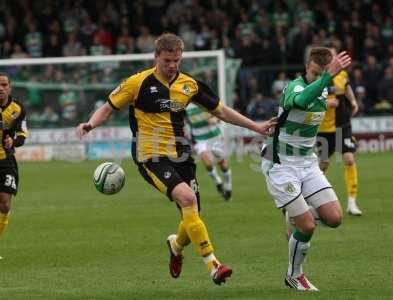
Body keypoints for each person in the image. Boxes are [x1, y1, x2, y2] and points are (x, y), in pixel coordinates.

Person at [76, 33, 276, 285]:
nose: (172, 66)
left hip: (182, 155)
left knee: (192, 215)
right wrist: (90, 124)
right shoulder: (136, 83)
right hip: (150, 156)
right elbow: (107, 108)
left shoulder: (189, 85)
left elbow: (222, 111)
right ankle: (214, 265)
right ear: (156, 57)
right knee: (188, 198)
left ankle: (176, 245)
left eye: (177, 60)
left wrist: (256, 127)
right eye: (167, 60)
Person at [260, 47, 351, 291]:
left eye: (322, 72)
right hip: (280, 164)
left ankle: (296, 213)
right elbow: (299, 101)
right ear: (306, 67)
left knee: (335, 218)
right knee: (307, 226)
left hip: (307, 163)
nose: (318, 76)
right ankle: (294, 275)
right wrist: (326, 76)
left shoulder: (323, 90)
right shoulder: (294, 87)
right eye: (314, 71)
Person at [317, 47, 362, 216]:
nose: (334, 57)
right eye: (331, 55)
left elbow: (347, 87)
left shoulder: (342, 74)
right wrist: (327, 104)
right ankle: (311, 197)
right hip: (323, 127)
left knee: (349, 159)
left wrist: (353, 100)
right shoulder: (318, 77)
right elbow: (310, 99)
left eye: (334, 54)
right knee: (322, 165)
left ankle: (352, 203)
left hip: (343, 123)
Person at [0, 73, 28, 259]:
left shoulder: (17, 108)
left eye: (4, 85)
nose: (0, 89)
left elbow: (22, 134)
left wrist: (13, 142)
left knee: (4, 203)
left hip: (5, 160)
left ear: (9, 87)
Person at [185, 102, 232, 200]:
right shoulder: (184, 104)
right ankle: (218, 182)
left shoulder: (205, 100)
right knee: (208, 164)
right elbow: (184, 120)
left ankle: (228, 187)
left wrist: (215, 119)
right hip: (199, 139)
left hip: (215, 137)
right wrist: (186, 131)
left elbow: (221, 113)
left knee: (223, 165)